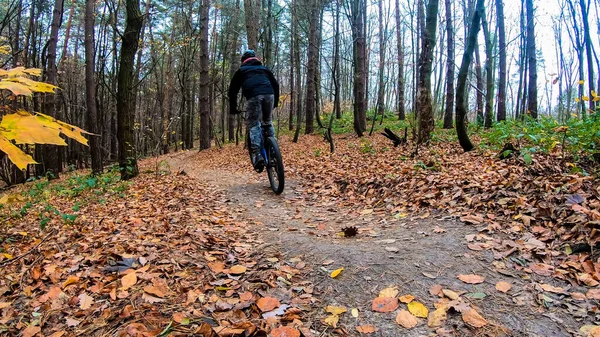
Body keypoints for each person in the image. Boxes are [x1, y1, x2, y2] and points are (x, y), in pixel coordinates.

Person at [228, 50, 280, 172]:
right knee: (267, 121)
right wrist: (275, 102)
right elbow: (276, 85)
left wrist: (233, 108)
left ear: (243, 61)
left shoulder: (241, 71)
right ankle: (274, 150)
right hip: (269, 94)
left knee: (254, 124)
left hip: (253, 96)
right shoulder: (264, 69)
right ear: (255, 59)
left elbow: (232, 91)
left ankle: (257, 155)